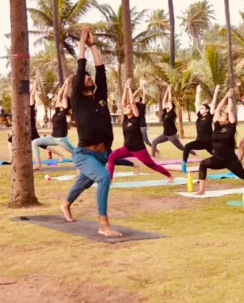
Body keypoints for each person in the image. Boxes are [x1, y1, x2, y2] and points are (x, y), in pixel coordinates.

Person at [61, 26, 121, 237]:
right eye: (85, 78)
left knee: (83, 182)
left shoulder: (100, 97)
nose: (88, 78)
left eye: (89, 77)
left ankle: (66, 204)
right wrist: (81, 45)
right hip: (84, 153)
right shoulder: (77, 100)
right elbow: (80, 69)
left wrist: (93, 44)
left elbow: (101, 69)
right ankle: (103, 223)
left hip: (102, 153)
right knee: (104, 177)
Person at [107, 80, 174, 181]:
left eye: (129, 107)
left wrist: (129, 88)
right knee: (111, 157)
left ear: (132, 110)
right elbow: (123, 101)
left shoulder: (136, 117)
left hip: (138, 149)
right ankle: (109, 180)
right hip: (127, 148)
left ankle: (170, 176)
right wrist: (125, 87)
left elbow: (132, 102)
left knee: (151, 165)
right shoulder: (125, 118)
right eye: (127, 107)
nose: (126, 107)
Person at [192, 87, 244, 195]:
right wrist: (226, 96)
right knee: (203, 164)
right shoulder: (216, 127)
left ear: (227, 119)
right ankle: (201, 190)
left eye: (223, 115)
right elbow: (217, 109)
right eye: (220, 115)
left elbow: (230, 110)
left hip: (231, 161)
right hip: (217, 159)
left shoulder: (231, 127)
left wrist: (230, 98)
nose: (220, 116)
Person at [32, 79, 76, 170]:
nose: (58, 101)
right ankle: (38, 164)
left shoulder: (65, 111)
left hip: (61, 139)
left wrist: (67, 84)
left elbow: (64, 96)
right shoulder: (57, 111)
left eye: (62, 101)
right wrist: (64, 83)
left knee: (76, 152)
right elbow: (60, 95)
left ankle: (88, 162)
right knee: (35, 142)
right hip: (53, 138)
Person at [182, 85, 219, 169]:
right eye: (200, 108)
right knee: (187, 146)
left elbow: (213, 104)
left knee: (218, 155)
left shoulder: (209, 116)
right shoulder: (199, 116)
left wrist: (216, 91)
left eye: (203, 108)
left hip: (209, 142)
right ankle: (184, 164)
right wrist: (198, 92)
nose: (201, 109)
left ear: (207, 110)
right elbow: (196, 104)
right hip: (200, 141)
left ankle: (230, 161)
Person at [150, 85, 185, 158]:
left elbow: (169, 101)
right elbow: (163, 101)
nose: (166, 104)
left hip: (172, 136)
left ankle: (194, 153)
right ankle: (153, 158)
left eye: (168, 103)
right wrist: (167, 90)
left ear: (171, 106)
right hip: (165, 135)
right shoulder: (165, 113)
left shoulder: (172, 113)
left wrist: (169, 91)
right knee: (154, 142)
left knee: (181, 148)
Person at [133, 80, 152, 147]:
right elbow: (133, 96)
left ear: (140, 100)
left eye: (137, 98)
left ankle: (155, 149)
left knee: (146, 141)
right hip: (136, 125)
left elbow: (144, 96)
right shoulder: (134, 105)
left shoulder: (142, 105)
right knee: (135, 140)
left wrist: (143, 87)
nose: (135, 99)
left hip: (142, 125)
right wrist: (139, 88)